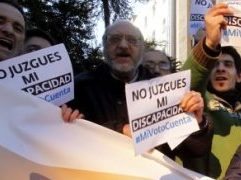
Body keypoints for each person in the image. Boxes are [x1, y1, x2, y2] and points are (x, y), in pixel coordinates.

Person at [68, 21, 211, 159]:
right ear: (104, 46)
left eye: (132, 40)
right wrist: (120, 131)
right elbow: (69, 137)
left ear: (142, 50)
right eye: (115, 39)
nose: (123, 45)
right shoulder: (80, 87)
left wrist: (197, 122)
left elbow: (195, 150)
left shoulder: (165, 88)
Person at [180, 4, 241, 178]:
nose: (220, 69)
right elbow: (186, 85)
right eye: (215, 65)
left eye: (228, 65)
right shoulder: (199, 100)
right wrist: (209, 44)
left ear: (240, 76)